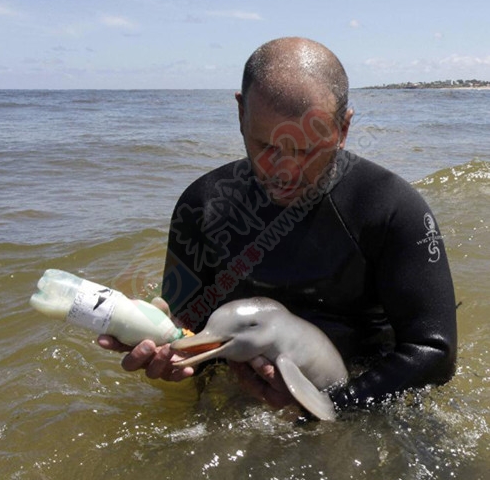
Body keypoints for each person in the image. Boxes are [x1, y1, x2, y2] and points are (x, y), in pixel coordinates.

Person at [99, 37, 457, 411]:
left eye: (307, 150)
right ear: (241, 114)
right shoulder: (201, 206)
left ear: (344, 127)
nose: (285, 171)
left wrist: (331, 407)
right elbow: (188, 329)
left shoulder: (391, 208)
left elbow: (434, 352)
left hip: (362, 393)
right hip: (246, 393)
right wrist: (168, 351)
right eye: (266, 145)